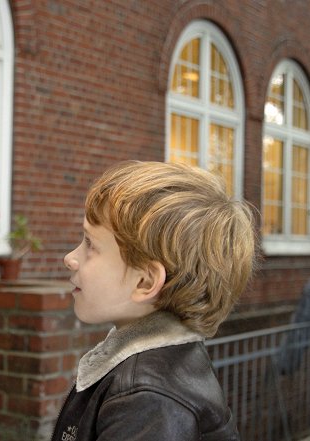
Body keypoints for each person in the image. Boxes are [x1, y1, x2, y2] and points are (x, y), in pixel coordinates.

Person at [51, 160, 256, 441]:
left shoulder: (145, 402)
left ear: (145, 282)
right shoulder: (149, 380)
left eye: (90, 245)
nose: (70, 258)